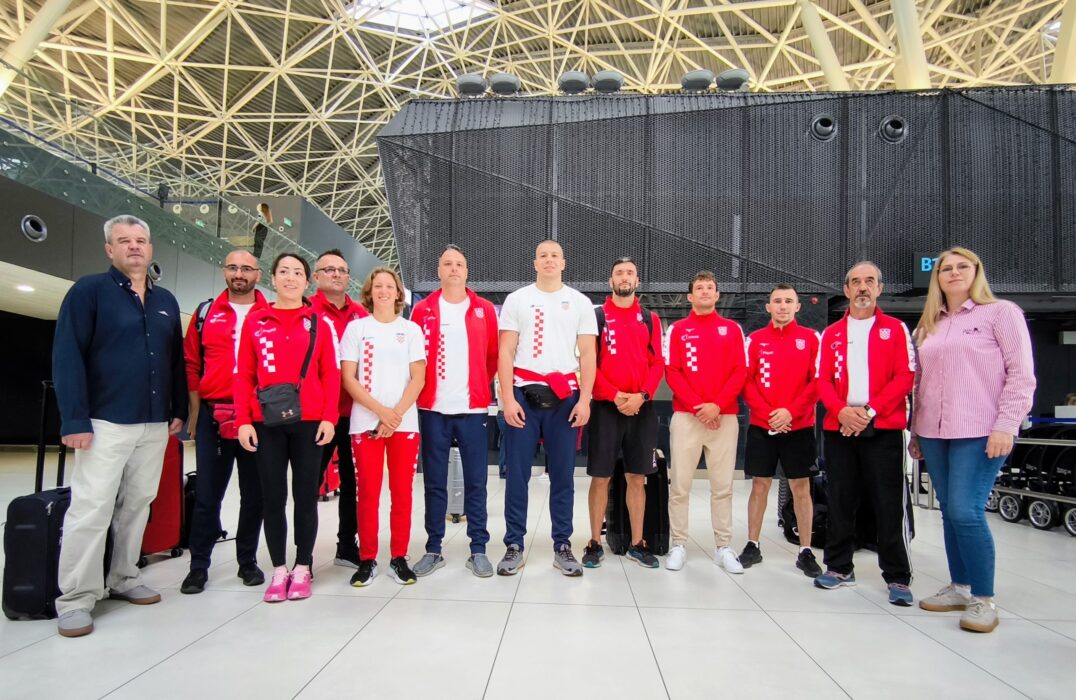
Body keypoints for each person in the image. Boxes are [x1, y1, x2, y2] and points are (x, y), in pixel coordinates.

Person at [52, 215, 188, 638]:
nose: (134, 247)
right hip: (104, 421)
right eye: (124, 240)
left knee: (138, 503)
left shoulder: (165, 300)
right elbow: (68, 356)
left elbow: (174, 361)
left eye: (141, 240)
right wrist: (75, 418)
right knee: (92, 506)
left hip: (153, 422)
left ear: (150, 249)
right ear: (109, 249)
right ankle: (76, 598)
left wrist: (179, 409)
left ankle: (124, 576)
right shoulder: (89, 291)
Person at [909, 247, 1035, 633]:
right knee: (949, 510)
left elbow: (1021, 374)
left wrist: (1006, 425)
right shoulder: (928, 325)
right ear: (937, 278)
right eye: (946, 268)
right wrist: (915, 430)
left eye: (962, 266)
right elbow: (919, 383)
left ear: (976, 272)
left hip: (979, 429)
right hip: (934, 431)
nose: (954, 273)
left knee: (966, 511)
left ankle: (983, 598)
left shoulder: (1001, 313)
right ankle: (960, 587)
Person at [235, 252, 339, 602]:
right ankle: (279, 569)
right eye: (284, 271)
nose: (290, 278)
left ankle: (303, 566)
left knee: (305, 496)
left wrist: (329, 417)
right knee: (273, 497)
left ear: (307, 281)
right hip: (266, 422)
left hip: (309, 422)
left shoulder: (319, 323)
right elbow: (244, 373)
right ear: (273, 278)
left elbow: (330, 374)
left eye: (297, 272)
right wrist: (243, 420)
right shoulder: (256, 321)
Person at [815, 262, 916, 606]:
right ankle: (839, 566)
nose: (862, 287)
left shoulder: (895, 329)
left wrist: (870, 411)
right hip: (840, 425)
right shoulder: (831, 333)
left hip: (883, 426)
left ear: (879, 288)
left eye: (869, 281)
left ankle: (898, 575)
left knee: (888, 503)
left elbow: (905, 376)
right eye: (855, 282)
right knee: (840, 500)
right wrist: (841, 411)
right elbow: (822, 380)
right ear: (846, 290)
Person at [497, 240, 597, 577]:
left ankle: (562, 545)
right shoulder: (517, 299)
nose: (549, 260)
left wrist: (585, 399)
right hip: (523, 396)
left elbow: (588, 354)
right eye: (543, 255)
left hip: (565, 398)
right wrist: (508, 398)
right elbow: (506, 352)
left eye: (555, 256)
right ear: (535, 262)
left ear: (563, 263)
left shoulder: (580, 302)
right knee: (517, 475)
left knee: (563, 475)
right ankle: (514, 544)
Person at [181, 250, 267, 594]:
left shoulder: (269, 314)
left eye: (246, 268)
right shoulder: (206, 313)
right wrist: (194, 411)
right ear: (224, 272)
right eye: (233, 267)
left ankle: (247, 561)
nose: (239, 273)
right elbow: (191, 363)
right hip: (213, 416)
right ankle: (198, 566)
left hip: (256, 419)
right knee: (207, 495)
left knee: (254, 495)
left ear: (258, 274)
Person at [409, 245, 499, 578]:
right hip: (433, 408)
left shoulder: (484, 309)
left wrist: (477, 385)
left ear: (467, 271)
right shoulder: (422, 310)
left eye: (459, 264)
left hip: (472, 408)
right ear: (439, 271)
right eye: (447, 264)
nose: (454, 269)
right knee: (434, 482)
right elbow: (414, 356)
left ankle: (478, 549)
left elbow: (493, 356)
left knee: (477, 481)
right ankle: (434, 548)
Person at [339, 267, 426, 587]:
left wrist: (395, 415)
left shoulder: (411, 330)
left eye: (390, 286)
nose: (384, 291)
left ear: (398, 293)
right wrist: (381, 413)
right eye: (378, 286)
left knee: (402, 493)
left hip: (404, 424)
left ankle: (399, 557)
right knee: (368, 493)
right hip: (366, 423)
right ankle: (367, 558)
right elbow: (349, 378)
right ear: (369, 291)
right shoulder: (356, 329)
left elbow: (418, 378)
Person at [582, 256, 663, 569]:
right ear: (611, 281)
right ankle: (594, 542)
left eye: (630, 272)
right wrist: (615, 395)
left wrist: (641, 396)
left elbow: (657, 364)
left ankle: (637, 543)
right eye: (619, 273)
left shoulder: (649, 318)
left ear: (637, 281)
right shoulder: (597, 316)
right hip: (606, 407)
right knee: (600, 477)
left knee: (637, 477)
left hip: (641, 407)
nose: (624, 277)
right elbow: (589, 363)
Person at [664, 271, 748, 573]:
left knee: (722, 487)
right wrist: (699, 407)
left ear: (717, 295)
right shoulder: (678, 330)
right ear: (689, 296)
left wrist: (717, 406)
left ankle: (723, 547)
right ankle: (678, 544)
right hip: (687, 417)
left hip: (724, 418)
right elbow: (673, 372)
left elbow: (740, 370)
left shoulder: (732, 329)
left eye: (709, 288)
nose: (704, 292)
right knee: (680, 486)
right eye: (699, 288)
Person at [739, 284, 823, 577]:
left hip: (799, 426)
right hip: (763, 425)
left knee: (801, 488)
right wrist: (768, 414)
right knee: (759, 485)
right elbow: (746, 381)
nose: (783, 306)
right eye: (777, 301)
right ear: (768, 307)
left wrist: (791, 412)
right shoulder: (755, 340)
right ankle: (753, 544)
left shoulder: (811, 338)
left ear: (798, 306)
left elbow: (817, 381)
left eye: (788, 301)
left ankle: (805, 550)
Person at [309, 248, 368, 569]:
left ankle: (347, 546)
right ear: (316, 277)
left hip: (354, 413)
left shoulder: (361, 315)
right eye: (329, 269)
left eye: (342, 270)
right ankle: (303, 555)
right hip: (316, 415)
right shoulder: (306, 311)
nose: (336, 274)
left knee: (352, 485)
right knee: (308, 485)